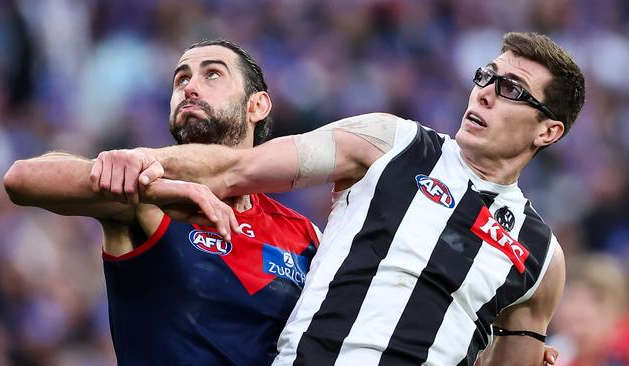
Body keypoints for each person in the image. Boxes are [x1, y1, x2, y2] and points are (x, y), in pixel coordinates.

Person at [91, 32, 582, 365]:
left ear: (548, 130)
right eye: (485, 76)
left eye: (511, 89)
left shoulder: (542, 256)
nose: (484, 94)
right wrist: (136, 159)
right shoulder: (390, 142)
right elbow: (236, 168)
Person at [3, 40, 321, 366]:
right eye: (181, 79)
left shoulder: (305, 235)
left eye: (212, 74)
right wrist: (145, 188)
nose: (190, 87)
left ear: (257, 106)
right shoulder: (147, 198)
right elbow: (21, 179)